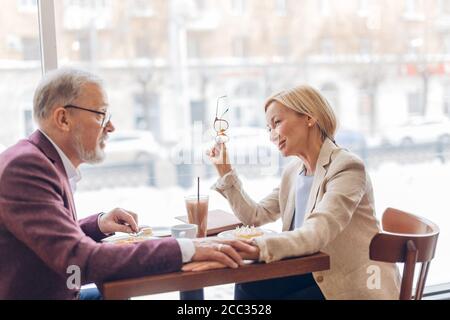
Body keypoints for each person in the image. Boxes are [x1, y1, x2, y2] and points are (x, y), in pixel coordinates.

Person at [0, 68, 255, 300]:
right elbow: (78, 261)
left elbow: (46, 237)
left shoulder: (37, 159)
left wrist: (97, 224)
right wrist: (186, 249)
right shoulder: (27, 168)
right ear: (63, 119)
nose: (111, 127)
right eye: (101, 114)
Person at [206, 85, 401, 300]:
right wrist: (225, 172)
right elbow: (256, 215)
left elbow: (317, 231)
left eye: (277, 123)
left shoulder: (347, 167)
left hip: (349, 283)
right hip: (312, 274)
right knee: (247, 286)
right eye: (268, 128)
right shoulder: (294, 172)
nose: (272, 135)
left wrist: (259, 247)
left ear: (309, 118)